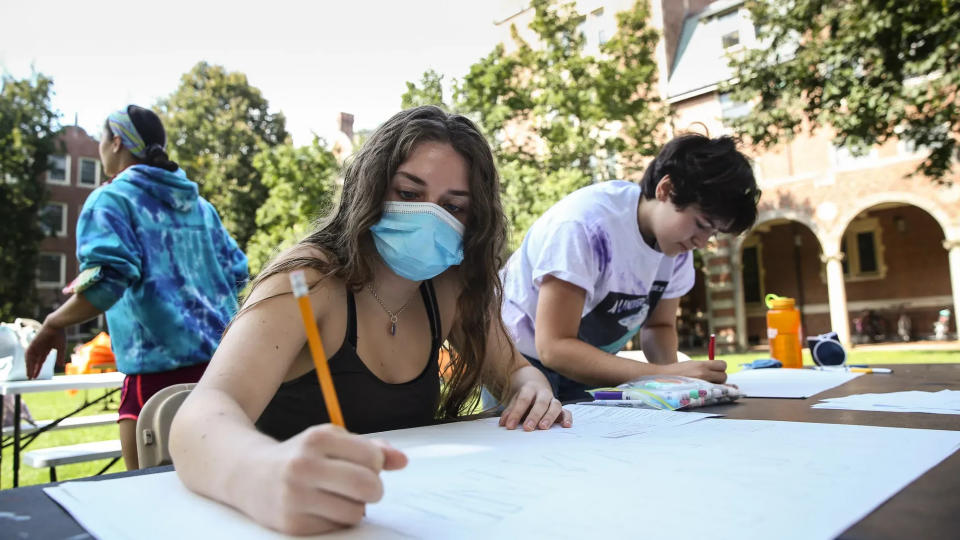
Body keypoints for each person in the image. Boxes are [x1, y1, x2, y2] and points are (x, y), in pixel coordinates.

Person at [169, 106, 571, 536]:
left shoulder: (449, 289)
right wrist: (260, 472)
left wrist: (531, 385)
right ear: (371, 188)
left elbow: (514, 371)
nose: (430, 217)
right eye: (409, 194)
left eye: (453, 206)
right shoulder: (307, 280)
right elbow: (201, 415)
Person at [25, 105, 248, 469]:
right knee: (216, 501)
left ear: (116, 142)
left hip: (157, 382)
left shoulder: (112, 200)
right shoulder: (201, 207)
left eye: (101, 139)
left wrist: (53, 323)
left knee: (150, 502)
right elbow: (239, 272)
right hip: (224, 371)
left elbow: (107, 279)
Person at [500, 134, 760, 401]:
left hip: (587, 364)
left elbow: (658, 327)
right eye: (703, 225)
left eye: (714, 233)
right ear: (666, 190)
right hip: (520, 360)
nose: (703, 242)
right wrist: (661, 374)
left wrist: (680, 382)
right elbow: (554, 347)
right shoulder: (585, 227)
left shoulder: (677, 243)